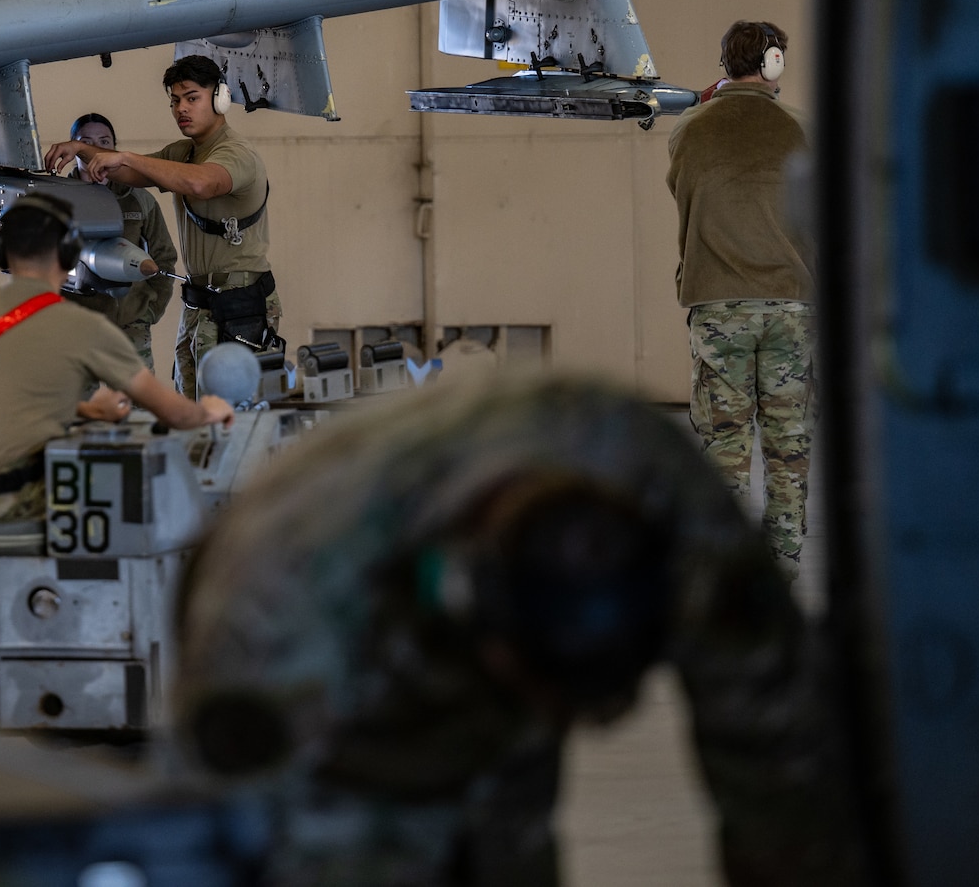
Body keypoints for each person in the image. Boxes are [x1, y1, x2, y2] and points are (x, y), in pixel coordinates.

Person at [174, 377, 862, 887]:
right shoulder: (284, 601)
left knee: (510, 840)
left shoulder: (662, 493)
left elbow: (779, 758)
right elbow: (232, 836)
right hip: (352, 656)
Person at [0, 194, 233, 523]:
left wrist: (83, 410)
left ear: (1, 251)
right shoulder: (84, 328)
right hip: (2, 503)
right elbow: (173, 413)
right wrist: (209, 411)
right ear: (71, 254)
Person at [665, 20, 815, 579]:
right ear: (774, 62)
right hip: (791, 302)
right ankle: (784, 564)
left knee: (723, 443)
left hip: (718, 300)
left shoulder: (690, 128)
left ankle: (724, 571)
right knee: (789, 441)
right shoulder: (802, 130)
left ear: (725, 64)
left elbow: (681, 188)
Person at [44, 55, 278, 397]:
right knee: (191, 406)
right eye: (175, 101)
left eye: (192, 98)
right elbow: (131, 173)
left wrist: (125, 156)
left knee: (231, 413)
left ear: (220, 98)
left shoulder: (235, 153)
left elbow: (201, 184)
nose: (181, 108)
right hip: (202, 305)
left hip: (239, 308)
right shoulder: (184, 153)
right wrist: (82, 149)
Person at [58, 112, 180, 370]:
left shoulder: (138, 198)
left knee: (140, 406)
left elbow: (164, 257)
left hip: (130, 326)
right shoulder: (57, 198)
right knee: (75, 406)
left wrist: (149, 312)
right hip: (75, 326)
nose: (95, 149)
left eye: (104, 142)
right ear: (73, 147)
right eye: (86, 141)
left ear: (114, 147)